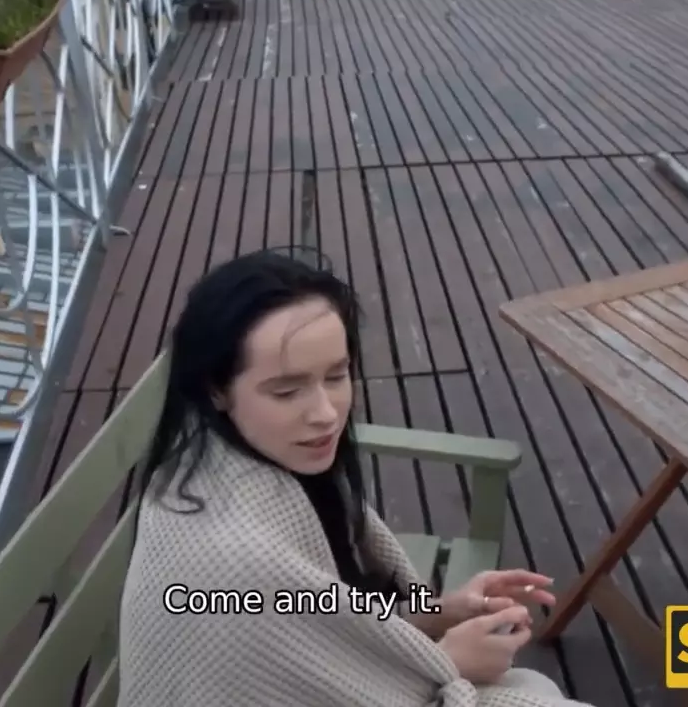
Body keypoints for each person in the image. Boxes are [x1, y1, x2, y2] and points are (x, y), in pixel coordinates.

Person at [118, 248, 594, 706]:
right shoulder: (233, 563)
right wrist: (450, 662)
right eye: (286, 391)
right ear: (216, 390)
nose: (326, 414)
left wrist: (437, 614)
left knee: (531, 684)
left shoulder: (232, 462)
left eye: (336, 376)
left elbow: (317, 615)